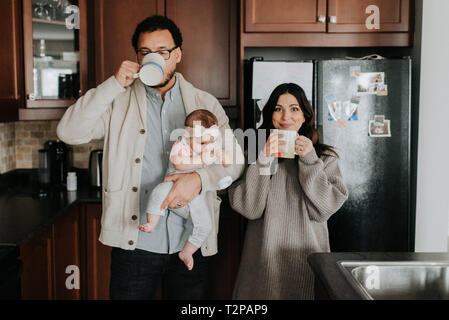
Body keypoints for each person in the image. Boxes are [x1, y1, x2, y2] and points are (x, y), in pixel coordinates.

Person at [56, 15, 244, 300]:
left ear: (177, 54)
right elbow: (69, 131)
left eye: (162, 52)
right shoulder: (117, 100)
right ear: (137, 57)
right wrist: (113, 84)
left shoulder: (205, 104)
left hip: (191, 242)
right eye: (145, 52)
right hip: (134, 242)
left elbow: (236, 162)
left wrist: (199, 179)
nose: (153, 58)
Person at [228, 83, 348, 300]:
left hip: (308, 264)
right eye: (277, 108)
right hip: (264, 268)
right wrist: (263, 157)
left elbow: (324, 210)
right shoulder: (253, 153)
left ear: (304, 116)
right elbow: (249, 209)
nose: (286, 116)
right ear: (269, 115)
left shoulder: (325, 158)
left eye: (294, 109)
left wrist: (309, 159)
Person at [139, 109, 232, 271]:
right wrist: (201, 160)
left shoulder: (209, 145)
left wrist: (223, 157)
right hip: (172, 182)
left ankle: (187, 252)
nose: (207, 146)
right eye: (202, 143)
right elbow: (179, 164)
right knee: (158, 193)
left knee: (205, 224)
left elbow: (229, 162)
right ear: (188, 136)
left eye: (211, 141)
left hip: (195, 193)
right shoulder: (180, 145)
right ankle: (152, 222)